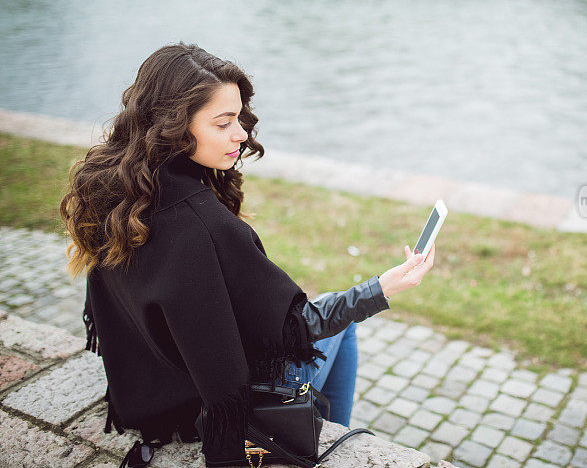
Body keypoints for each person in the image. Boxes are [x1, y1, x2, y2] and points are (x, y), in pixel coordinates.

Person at [59, 42, 436, 467]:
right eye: (223, 123)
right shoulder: (206, 226)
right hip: (213, 405)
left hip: (148, 392)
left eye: (238, 117)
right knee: (340, 330)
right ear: (173, 127)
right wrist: (384, 286)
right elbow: (300, 327)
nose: (241, 134)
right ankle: (320, 441)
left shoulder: (115, 191)